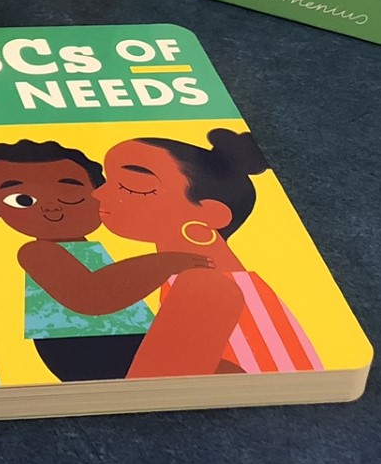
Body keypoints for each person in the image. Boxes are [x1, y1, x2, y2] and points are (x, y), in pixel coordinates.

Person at [0, 140, 210, 382]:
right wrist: (167, 263)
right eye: (22, 200)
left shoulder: (87, 248)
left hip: (127, 338)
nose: (52, 207)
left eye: (70, 194)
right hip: (82, 347)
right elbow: (92, 297)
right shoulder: (37, 251)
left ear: (99, 194)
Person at [94, 128, 323, 377]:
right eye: (107, 181)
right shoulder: (219, 278)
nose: (98, 193)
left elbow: (149, 384)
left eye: (131, 186)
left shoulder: (204, 285)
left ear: (212, 215)